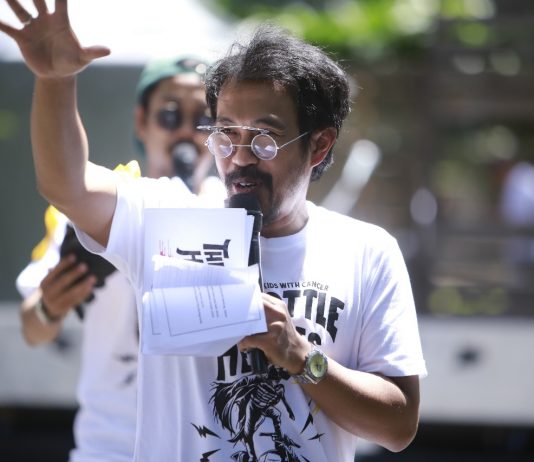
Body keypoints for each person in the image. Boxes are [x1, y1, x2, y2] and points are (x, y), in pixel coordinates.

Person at [1, 1, 427, 460]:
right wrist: (55, 80)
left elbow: (398, 425)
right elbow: (66, 184)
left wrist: (300, 357)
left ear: (319, 144)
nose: (240, 157)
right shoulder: (166, 218)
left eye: (264, 138)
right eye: (226, 134)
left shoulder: (367, 250)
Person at [14, 41, 219, 462]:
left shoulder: (237, 212)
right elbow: (32, 330)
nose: (185, 131)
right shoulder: (94, 208)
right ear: (142, 121)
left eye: (202, 119)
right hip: (110, 449)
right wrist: (50, 307)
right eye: (169, 115)